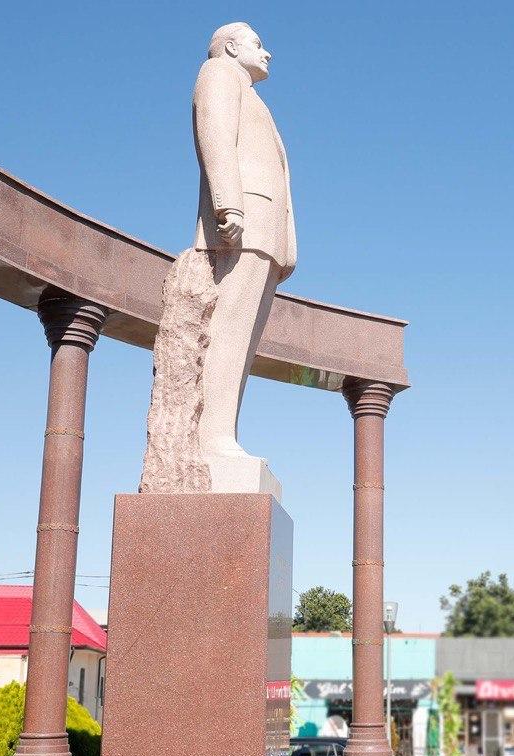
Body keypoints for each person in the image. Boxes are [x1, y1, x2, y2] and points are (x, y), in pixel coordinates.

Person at [193, 22, 297, 484]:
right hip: (241, 223)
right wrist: (228, 204)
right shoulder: (218, 73)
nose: (267, 52)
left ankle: (222, 432)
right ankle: (209, 437)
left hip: (263, 228)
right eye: (258, 44)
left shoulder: (252, 94)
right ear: (232, 47)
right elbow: (214, 135)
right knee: (227, 331)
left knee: (243, 341)